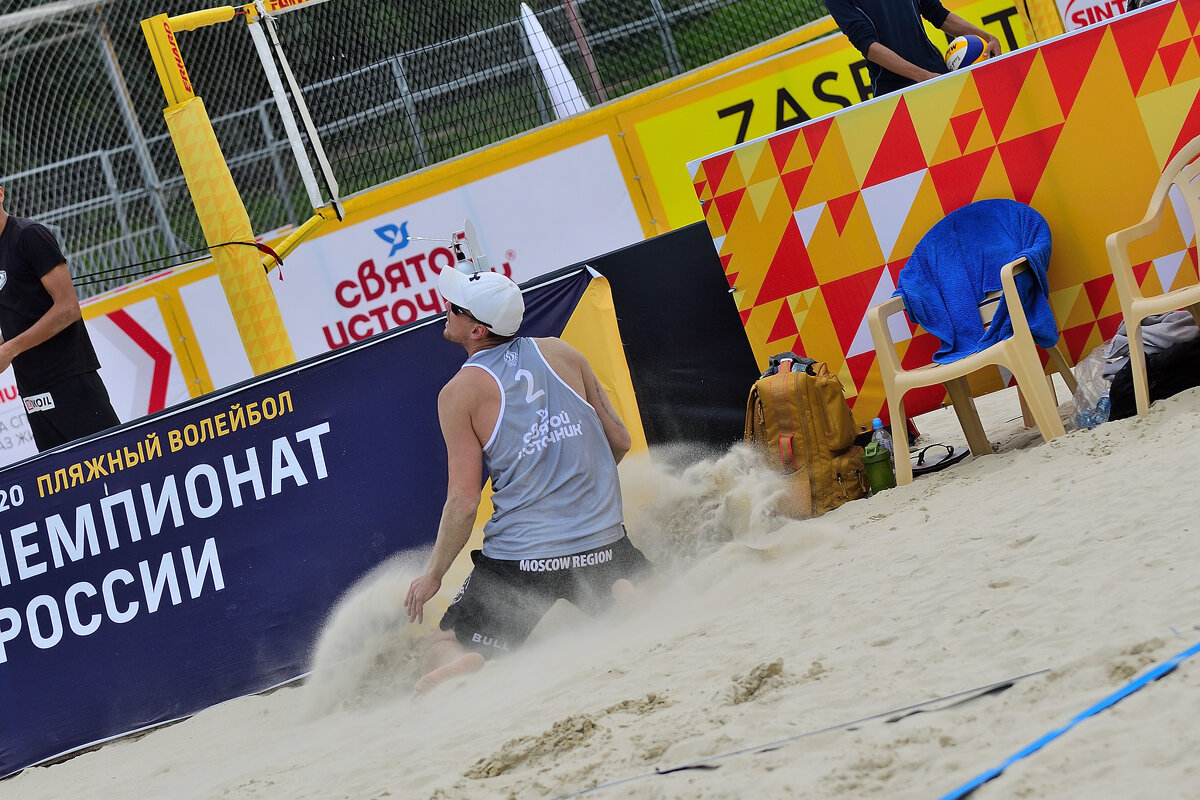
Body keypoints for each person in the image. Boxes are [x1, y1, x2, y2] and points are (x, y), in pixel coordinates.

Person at [404, 265, 652, 694]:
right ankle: (625, 596)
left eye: (454, 307)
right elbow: (620, 441)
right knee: (656, 590)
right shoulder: (562, 353)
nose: (446, 311)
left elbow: (463, 503)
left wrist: (433, 576)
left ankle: (469, 660)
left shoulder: (458, 393)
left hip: (522, 560)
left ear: (478, 330)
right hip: (601, 542)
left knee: (444, 641)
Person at [0, 185, 119, 452]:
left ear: (1, 194)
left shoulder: (28, 236)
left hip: (69, 377)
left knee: (113, 462)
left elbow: (68, 308)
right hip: (32, 389)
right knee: (62, 482)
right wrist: (3, 344)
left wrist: (10, 349)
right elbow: (22, 316)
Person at [824, 0, 1001, 97]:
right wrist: (922, 76)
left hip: (937, 75)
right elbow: (869, 47)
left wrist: (987, 38)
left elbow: (937, 14)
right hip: (895, 93)